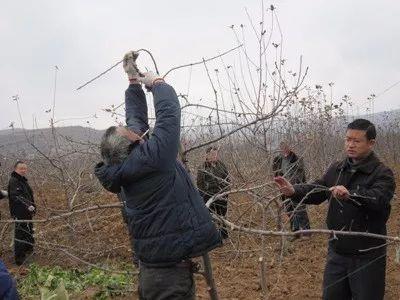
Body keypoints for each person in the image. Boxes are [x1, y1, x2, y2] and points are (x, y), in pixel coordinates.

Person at [95, 50, 222, 299]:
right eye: (127, 132)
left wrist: (133, 83)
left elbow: (135, 121)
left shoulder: (123, 166)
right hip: (169, 277)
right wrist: (158, 85)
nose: (133, 130)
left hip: (152, 270)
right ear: (130, 146)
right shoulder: (153, 159)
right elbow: (169, 117)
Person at [274, 119, 395, 300]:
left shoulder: (382, 173)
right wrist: (293, 191)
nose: (350, 145)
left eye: (356, 141)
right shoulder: (337, 168)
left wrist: (351, 195)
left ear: (371, 143)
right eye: (347, 139)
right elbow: (319, 189)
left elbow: (378, 200)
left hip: (367, 255)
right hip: (337, 252)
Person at [272, 141, 310, 239]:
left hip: (296, 188)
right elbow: (275, 173)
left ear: (289, 147)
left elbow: (300, 175)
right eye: (282, 146)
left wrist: (296, 187)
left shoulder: (296, 159)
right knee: (289, 210)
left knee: (300, 209)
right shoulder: (277, 159)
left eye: (285, 146)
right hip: (284, 189)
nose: (284, 148)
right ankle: (295, 232)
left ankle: (306, 233)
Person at [197, 146, 230, 239]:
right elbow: (200, 184)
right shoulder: (202, 168)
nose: (214, 156)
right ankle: (211, 236)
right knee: (209, 217)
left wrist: (226, 192)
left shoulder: (221, 165)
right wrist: (206, 195)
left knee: (222, 216)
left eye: (215, 154)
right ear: (207, 155)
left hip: (222, 195)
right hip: (209, 197)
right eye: (212, 154)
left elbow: (227, 178)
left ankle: (224, 235)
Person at [8, 161, 36, 266]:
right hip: (20, 213)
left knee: (28, 230)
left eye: (25, 168)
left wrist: (33, 207)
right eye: (21, 168)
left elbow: (28, 195)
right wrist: (28, 205)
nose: (23, 170)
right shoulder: (14, 181)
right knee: (20, 234)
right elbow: (17, 196)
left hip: (27, 212)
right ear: (16, 169)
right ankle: (19, 259)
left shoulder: (22, 180)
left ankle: (28, 249)